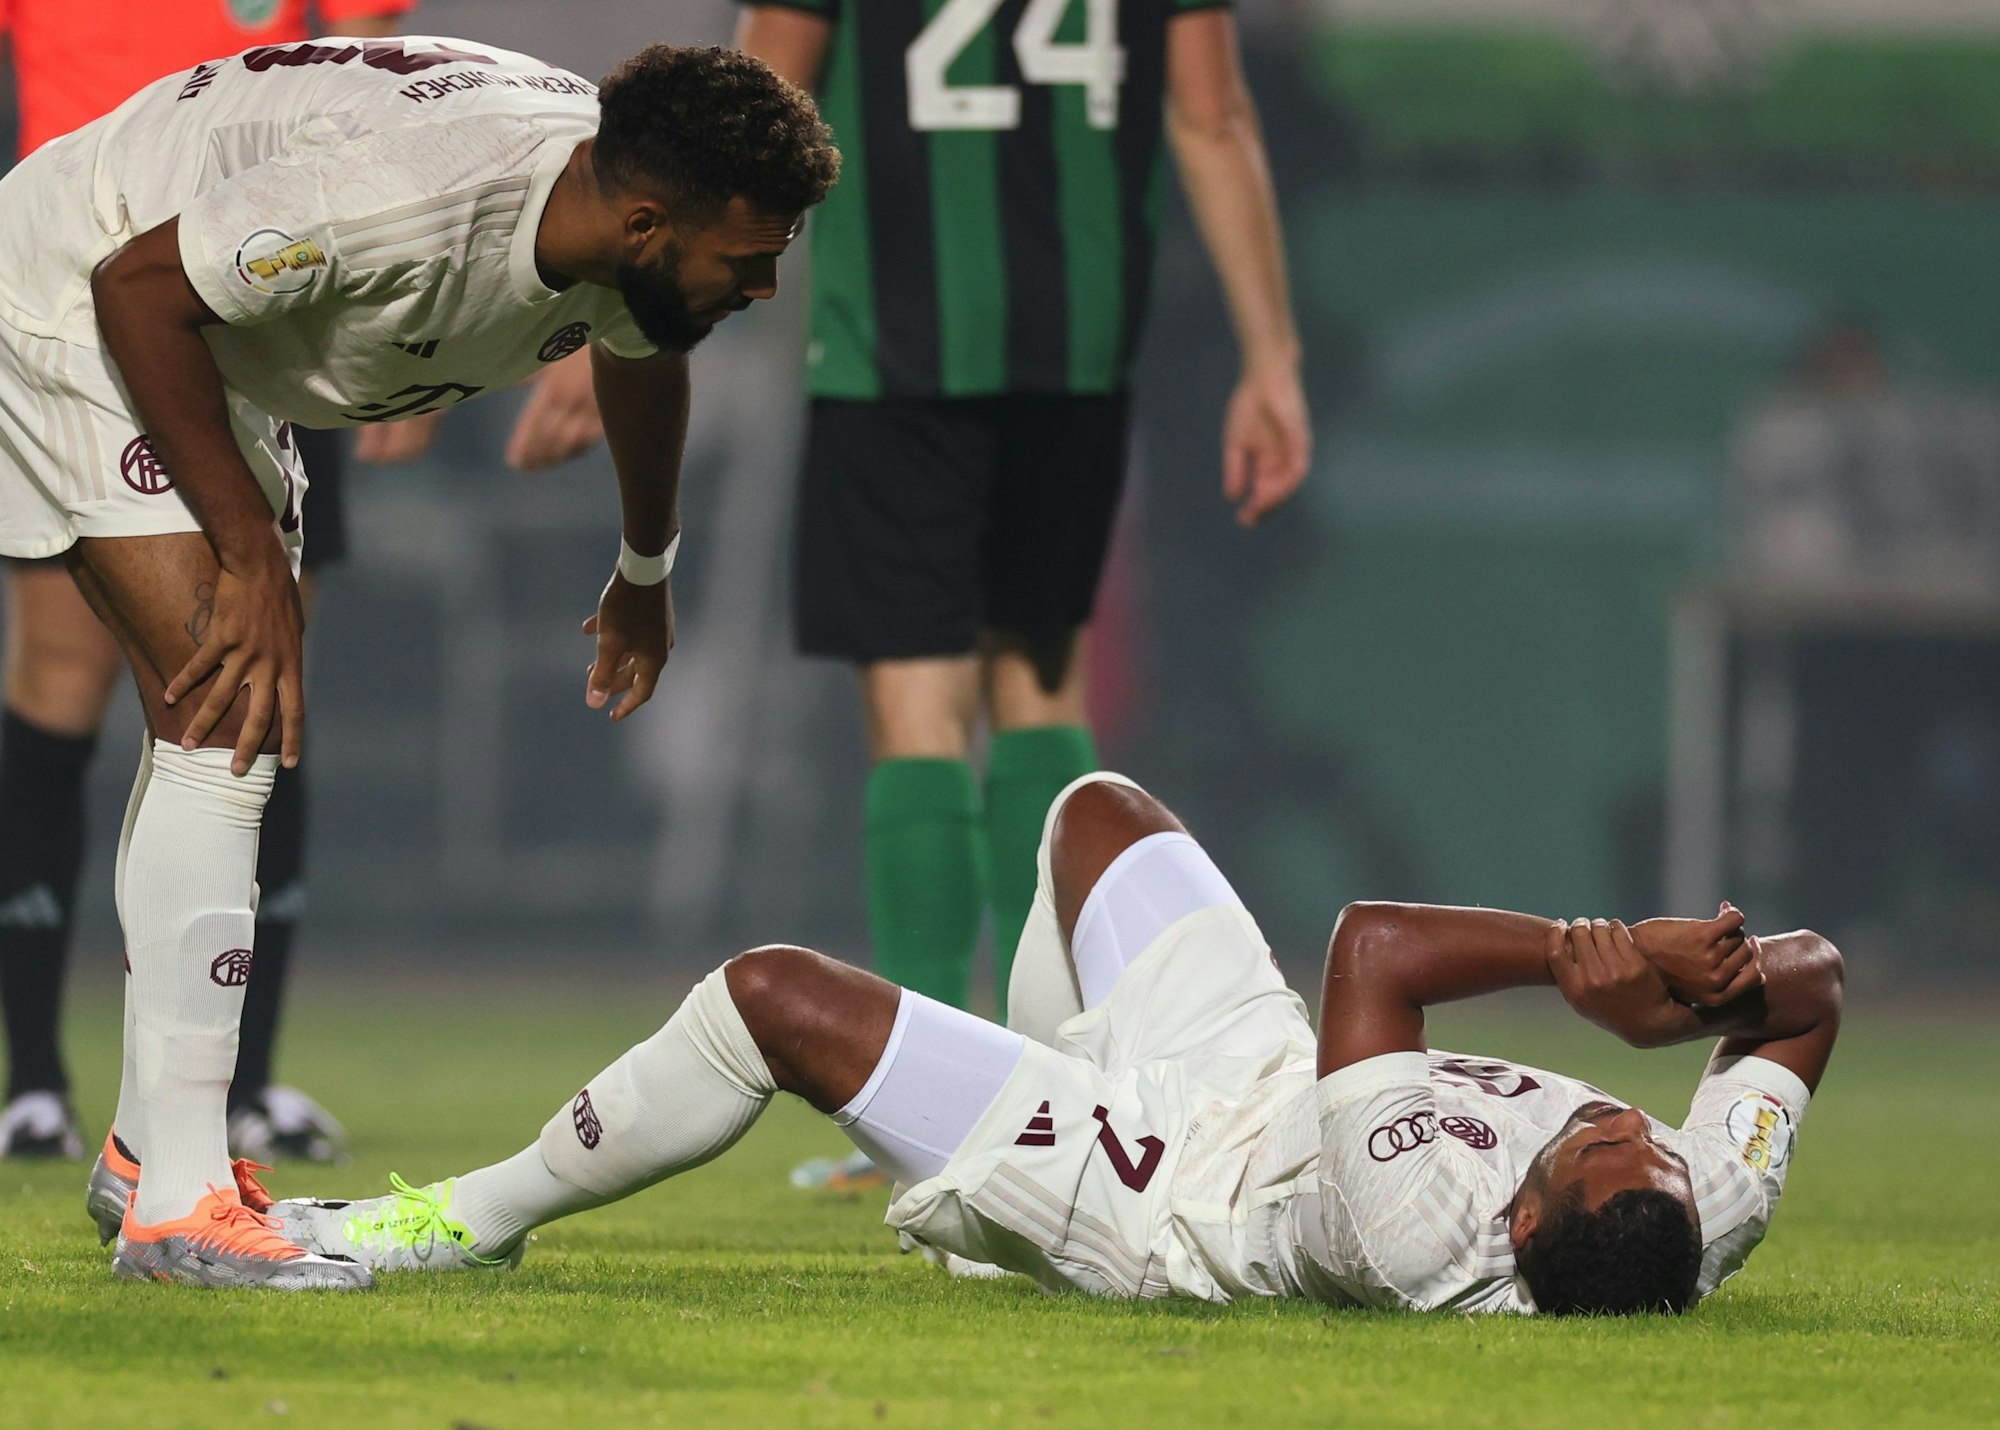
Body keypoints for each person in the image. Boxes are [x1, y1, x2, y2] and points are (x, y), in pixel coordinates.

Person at [4, 37, 838, 1288]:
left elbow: (637, 347)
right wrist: (246, 553)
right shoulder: (414, 198)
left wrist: (645, 568)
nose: (766, 287)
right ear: (652, 221)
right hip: (85, 286)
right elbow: (139, 288)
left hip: (208, 337)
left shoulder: (622, 222)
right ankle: (175, 1207)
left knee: (219, 717)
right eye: (753, 257)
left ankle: (142, 1151)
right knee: (226, 716)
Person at [275, 772, 1840, 1316]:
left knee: (773, 999)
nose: (1614, 1122)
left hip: (1172, 1195)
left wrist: (1605, 968)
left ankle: (461, 1223)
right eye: (1640, 1132)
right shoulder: (1699, 1218)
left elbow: (1375, 947)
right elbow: (1819, 990)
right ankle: (991, 1172)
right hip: (1269, 1077)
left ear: (1516, 1223)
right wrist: (1720, 993)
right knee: (1099, 820)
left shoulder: (1415, 1221)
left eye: (1593, 1142)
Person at [732, 0, 1313, 1021]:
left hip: (889, 355)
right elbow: (1211, 119)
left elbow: (750, 110)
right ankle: (1045, 1073)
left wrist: (646, 313)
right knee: (1041, 696)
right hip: (1070, 359)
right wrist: (1269, 355)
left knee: (917, 711)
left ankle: (919, 1103)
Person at [0, 3, 414, 1164]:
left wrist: (400, 355)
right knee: (60, 681)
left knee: (262, 688)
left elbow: (384, 88)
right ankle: (33, 1078)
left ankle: (238, 1084)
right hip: (68, 308)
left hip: (266, 310)